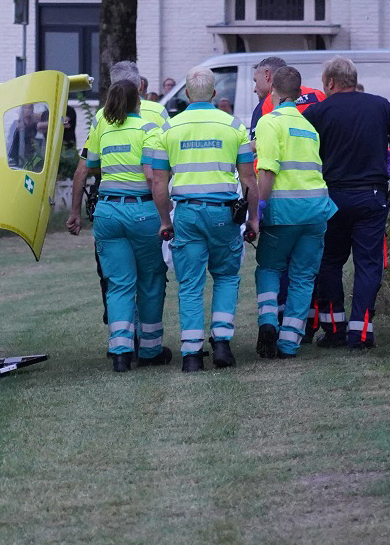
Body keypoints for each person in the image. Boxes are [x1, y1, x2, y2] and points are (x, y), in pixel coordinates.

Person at [306, 57, 390, 349]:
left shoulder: (317, 112)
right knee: (368, 264)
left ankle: (334, 330)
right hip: (372, 197)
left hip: (332, 197)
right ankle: (362, 332)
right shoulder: (379, 105)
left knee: (329, 262)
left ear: (330, 82)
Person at [67, 79, 172, 370]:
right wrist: (166, 212)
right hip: (141, 211)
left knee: (118, 284)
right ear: (138, 101)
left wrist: (75, 211)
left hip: (107, 211)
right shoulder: (149, 130)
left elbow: (90, 167)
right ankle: (150, 350)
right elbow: (152, 176)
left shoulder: (103, 129)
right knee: (150, 281)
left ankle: (121, 351)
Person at [158, 67, 257, 371]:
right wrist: (253, 219)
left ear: (186, 94)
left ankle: (190, 355)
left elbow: (159, 183)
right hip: (224, 214)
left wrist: (165, 220)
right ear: (215, 94)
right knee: (226, 276)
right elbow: (248, 177)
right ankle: (223, 344)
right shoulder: (234, 126)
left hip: (186, 212)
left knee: (189, 283)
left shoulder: (169, 129)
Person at [252, 64, 336, 358]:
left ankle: (267, 322)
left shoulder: (269, 122)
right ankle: (289, 343)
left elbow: (268, 169)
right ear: (300, 93)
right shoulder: (308, 127)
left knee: (269, 268)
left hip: (283, 210)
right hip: (316, 211)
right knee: (303, 277)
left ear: (273, 90)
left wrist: (259, 208)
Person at [247, 56, 323, 135]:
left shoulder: (265, 105)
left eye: (256, 81)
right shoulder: (317, 95)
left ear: (267, 75)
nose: (255, 89)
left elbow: (257, 144)